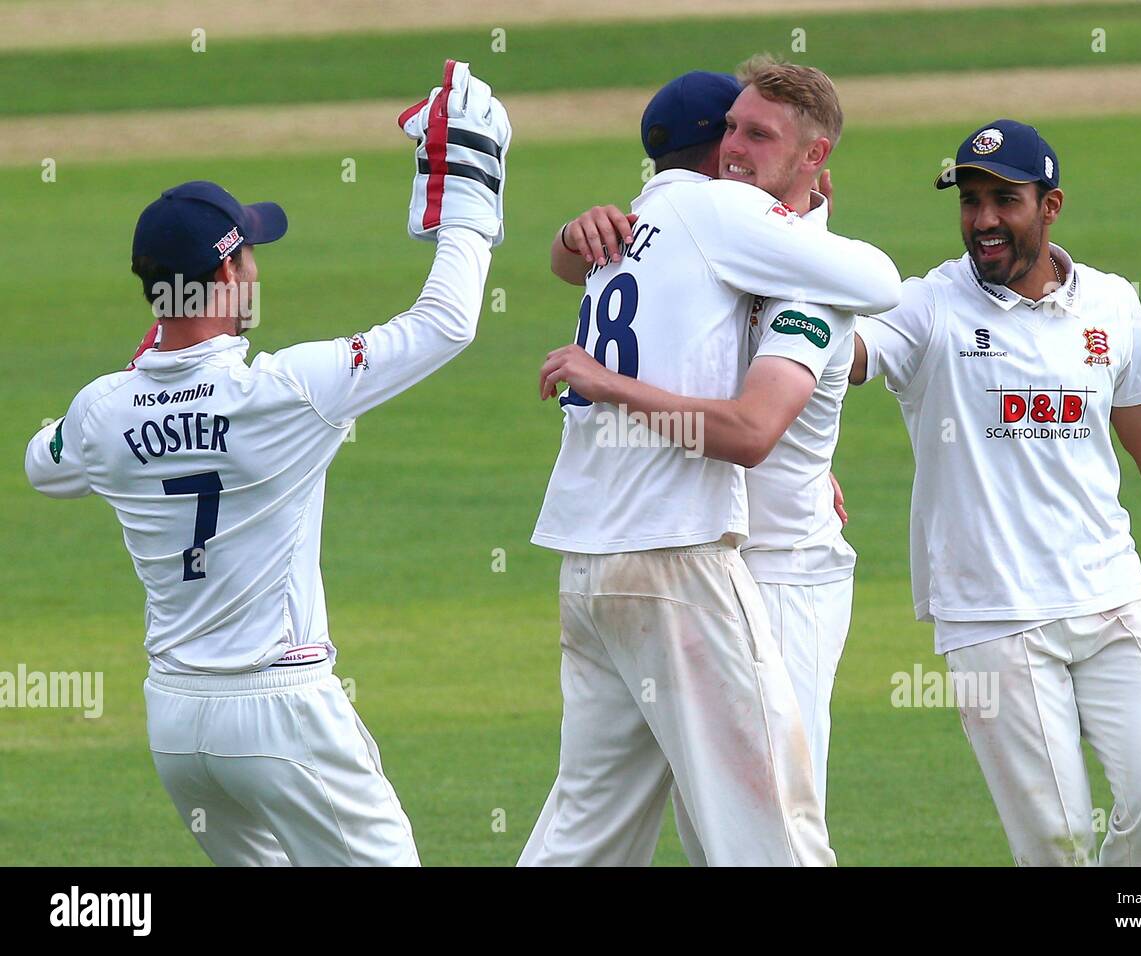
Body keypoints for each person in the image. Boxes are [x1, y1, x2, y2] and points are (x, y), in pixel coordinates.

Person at [23, 61, 511, 866]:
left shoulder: (101, 411)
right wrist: (469, 185)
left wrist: (151, 366)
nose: (257, 268)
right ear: (223, 273)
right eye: (248, 253)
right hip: (282, 712)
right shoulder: (283, 390)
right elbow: (447, 322)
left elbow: (46, 465)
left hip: (177, 724)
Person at [848, 118, 1141, 866]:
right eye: (970, 200)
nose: (982, 220)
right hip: (993, 617)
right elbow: (844, 356)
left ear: (1050, 207)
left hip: (1110, 599)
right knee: (1057, 843)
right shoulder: (929, 307)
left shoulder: (1110, 305)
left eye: (1004, 199)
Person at [524, 64, 900, 866]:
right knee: (769, 821)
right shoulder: (722, 220)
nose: (737, 149)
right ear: (709, 153)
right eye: (730, 131)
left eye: (755, 134)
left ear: (811, 157)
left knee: (590, 827)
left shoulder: (644, 235)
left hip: (629, 561)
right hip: (684, 556)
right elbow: (879, 284)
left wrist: (572, 236)